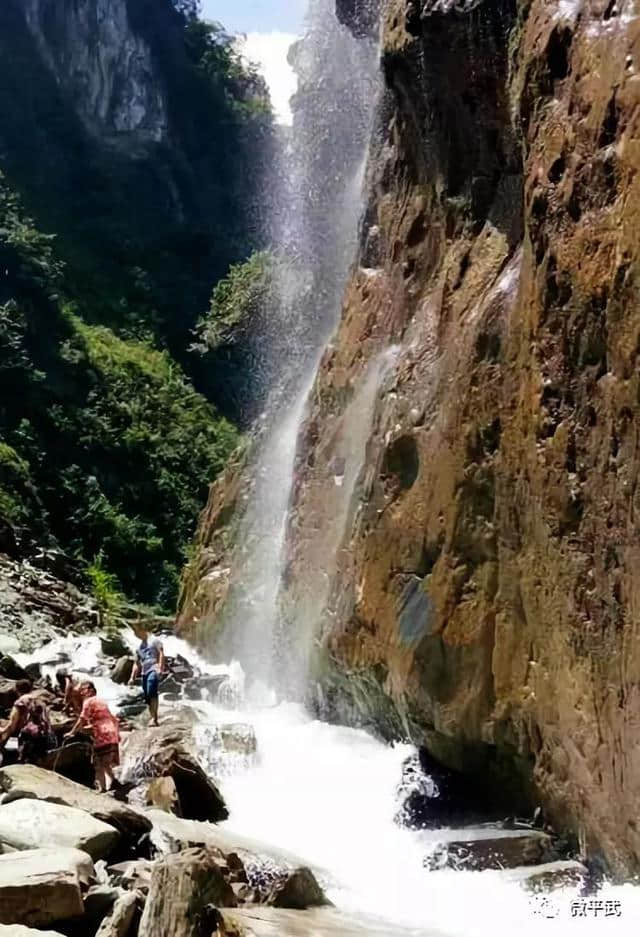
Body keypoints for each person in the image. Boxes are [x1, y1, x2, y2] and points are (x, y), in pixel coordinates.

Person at [65, 681, 120, 792]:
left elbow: (82, 719)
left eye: (84, 689)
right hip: (111, 732)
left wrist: (72, 732)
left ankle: (102, 788)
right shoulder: (102, 701)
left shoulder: (88, 702)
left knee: (98, 762)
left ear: (91, 690)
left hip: (101, 734)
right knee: (105, 761)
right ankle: (114, 781)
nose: (81, 692)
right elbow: (112, 718)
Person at [0, 680, 56, 764]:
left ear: (16, 690)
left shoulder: (20, 702)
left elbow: (12, 724)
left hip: (24, 736)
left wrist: (3, 731)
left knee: (8, 752)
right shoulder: (40, 701)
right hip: (42, 736)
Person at [129, 623, 165, 726]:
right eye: (135, 633)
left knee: (151, 691)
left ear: (142, 630)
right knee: (147, 697)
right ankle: (153, 717)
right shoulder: (139, 647)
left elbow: (161, 653)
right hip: (145, 672)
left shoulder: (154, 640)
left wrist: (160, 667)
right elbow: (136, 663)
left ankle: (155, 718)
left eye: (137, 632)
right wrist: (132, 677)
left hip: (153, 669)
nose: (136, 635)